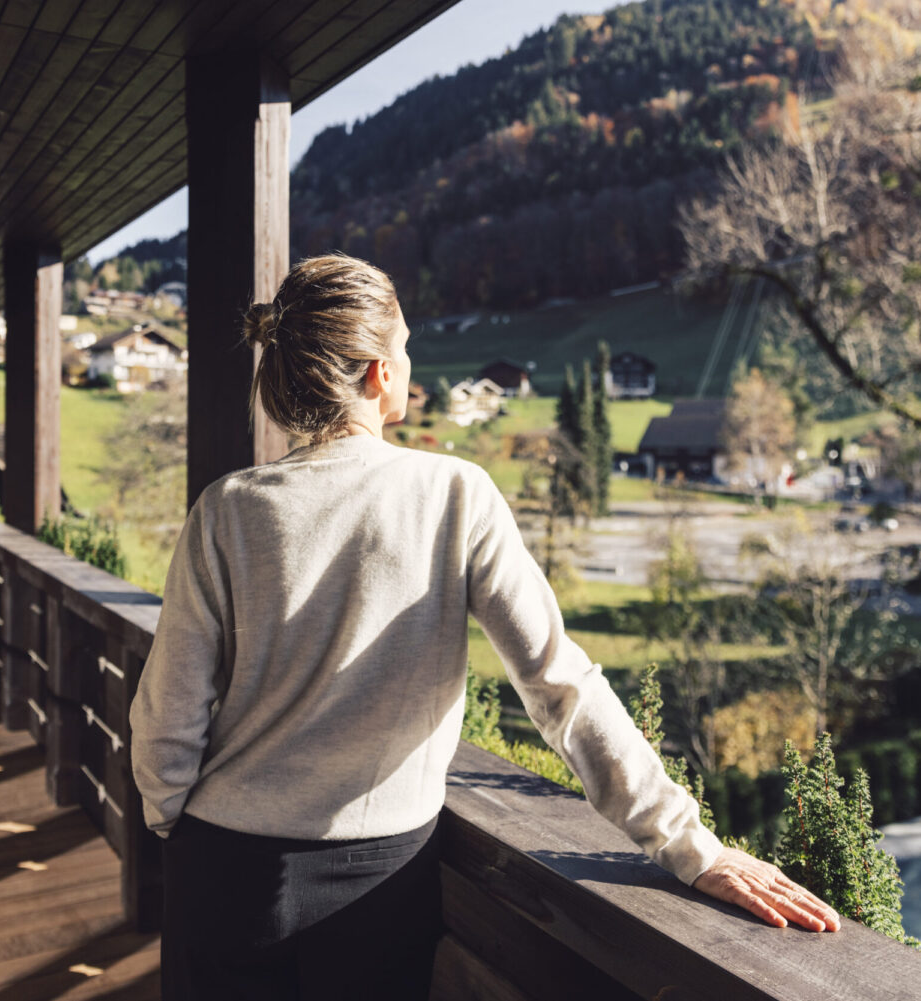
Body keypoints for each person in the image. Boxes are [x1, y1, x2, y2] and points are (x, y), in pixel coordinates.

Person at [129, 255, 839, 1001]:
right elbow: (560, 687)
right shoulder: (453, 493)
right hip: (375, 885)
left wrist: (173, 821)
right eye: (404, 346)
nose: (412, 361)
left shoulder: (225, 509)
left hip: (221, 874)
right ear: (377, 372)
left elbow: (166, 716)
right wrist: (690, 847)